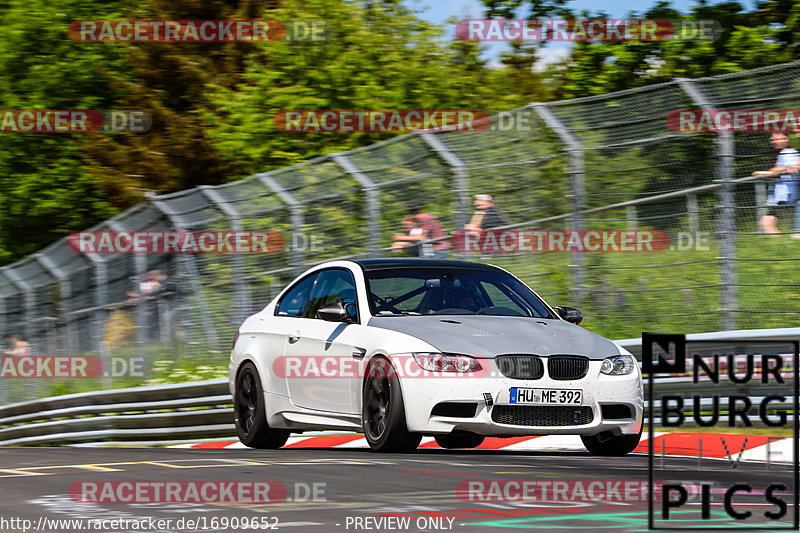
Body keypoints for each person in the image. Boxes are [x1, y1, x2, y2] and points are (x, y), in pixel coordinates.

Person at [755, 132, 800, 235]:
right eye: (773, 140)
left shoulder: (788, 152)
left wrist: (771, 171)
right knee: (765, 223)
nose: (775, 142)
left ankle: (788, 241)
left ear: (786, 140)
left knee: (766, 223)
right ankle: (780, 243)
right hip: (782, 194)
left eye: (779, 139)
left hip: (787, 193)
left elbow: (792, 167)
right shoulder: (780, 153)